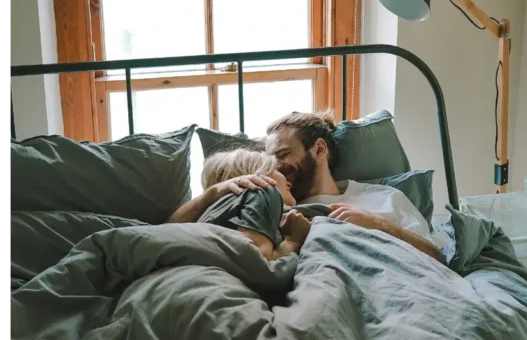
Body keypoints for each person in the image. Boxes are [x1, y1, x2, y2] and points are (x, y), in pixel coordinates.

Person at [167, 110, 444, 264]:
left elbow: (439, 259)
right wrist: (213, 193)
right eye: (269, 160)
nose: (275, 166)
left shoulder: (384, 198)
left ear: (319, 150)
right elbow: (172, 232)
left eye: (283, 155)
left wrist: (379, 225)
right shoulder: (268, 201)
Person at [193, 148, 311, 261]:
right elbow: (260, 263)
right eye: (277, 170)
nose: (289, 182)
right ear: (258, 174)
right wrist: (293, 241)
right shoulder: (261, 193)